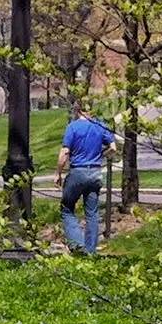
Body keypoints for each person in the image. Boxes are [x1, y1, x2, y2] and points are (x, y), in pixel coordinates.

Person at [54, 100, 117, 255]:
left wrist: (58, 173)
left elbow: (65, 152)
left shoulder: (73, 127)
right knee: (92, 213)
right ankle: (91, 251)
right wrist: (102, 155)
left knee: (67, 207)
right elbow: (113, 147)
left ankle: (77, 244)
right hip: (95, 172)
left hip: (78, 171)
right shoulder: (100, 126)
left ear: (78, 111)